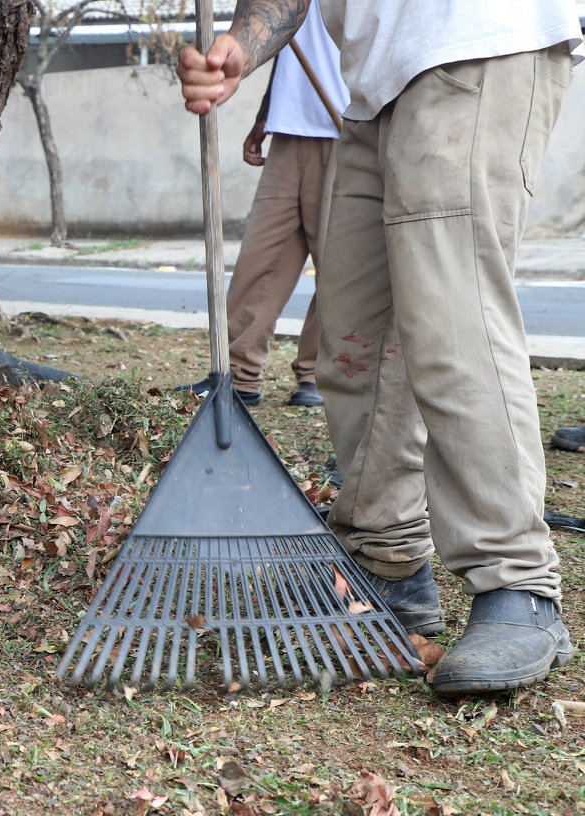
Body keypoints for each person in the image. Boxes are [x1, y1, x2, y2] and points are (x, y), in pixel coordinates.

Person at [177, 1, 582, 694]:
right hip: (374, 83)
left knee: (454, 321)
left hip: (474, 40)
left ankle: (518, 584)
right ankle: (385, 561)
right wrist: (239, 46)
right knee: (356, 341)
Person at [177, 0, 346, 408]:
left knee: (339, 268)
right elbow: (292, 42)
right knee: (261, 259)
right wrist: (265, 116)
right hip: (289, 130)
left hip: (345, 128)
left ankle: (317, 373)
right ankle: (238, 373)